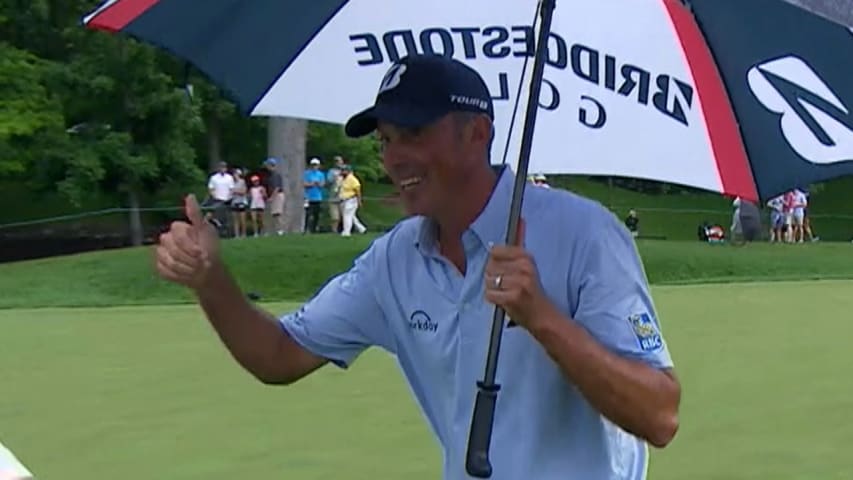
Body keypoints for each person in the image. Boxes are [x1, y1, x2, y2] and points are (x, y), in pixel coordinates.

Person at [154, 54, 680, 479]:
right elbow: (278, 355)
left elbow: (659, 414)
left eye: (413, 134)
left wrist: (540, 315)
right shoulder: (394, 259)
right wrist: (209, 279)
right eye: (385, 140)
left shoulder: (585, 234)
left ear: (477, 134)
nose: (393, 158)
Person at [338, 164, 367, 236]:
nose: (342, 172)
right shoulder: (343, 179)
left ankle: (346, 232)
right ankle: (362, 229)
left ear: (348, 171)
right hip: (344, 200)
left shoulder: (352, 179)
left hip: (351, 200)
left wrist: (359, 200)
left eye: (344, 170)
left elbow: (357, 190)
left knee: (347, 215)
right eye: (342, 170)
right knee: (351, 216)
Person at [263, 158, 286, 235]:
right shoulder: (269, 175)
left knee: (277, 213)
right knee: (273, 214)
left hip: (277, 195)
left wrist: (272, 197)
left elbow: (277, 188)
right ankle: (274, 230)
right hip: (273, 195)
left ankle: (280, 230)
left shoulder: (275, 175)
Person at [303, 158, 326, 233]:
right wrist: (312, 184)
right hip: (308, 197)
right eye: (313, 165)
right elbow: (304, 184)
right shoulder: (307, 173)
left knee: (316, 214)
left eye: (316, 165)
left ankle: (314, 229)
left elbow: (322, 184)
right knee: (308, 214)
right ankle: (306, 229)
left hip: (318, 197)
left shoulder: (321, 174)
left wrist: (318, 183)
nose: (314, 166)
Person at [230, 168, 249, 238]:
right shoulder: (231, 183)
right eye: (234, 174)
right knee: (235, 220)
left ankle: (244, 234)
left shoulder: (242, 182)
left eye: (236, 174)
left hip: (241, 202)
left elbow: (244, 191)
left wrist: (235, 191)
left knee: (242, 219)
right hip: (234, 202)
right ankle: (236, 235)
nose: (234, 175)